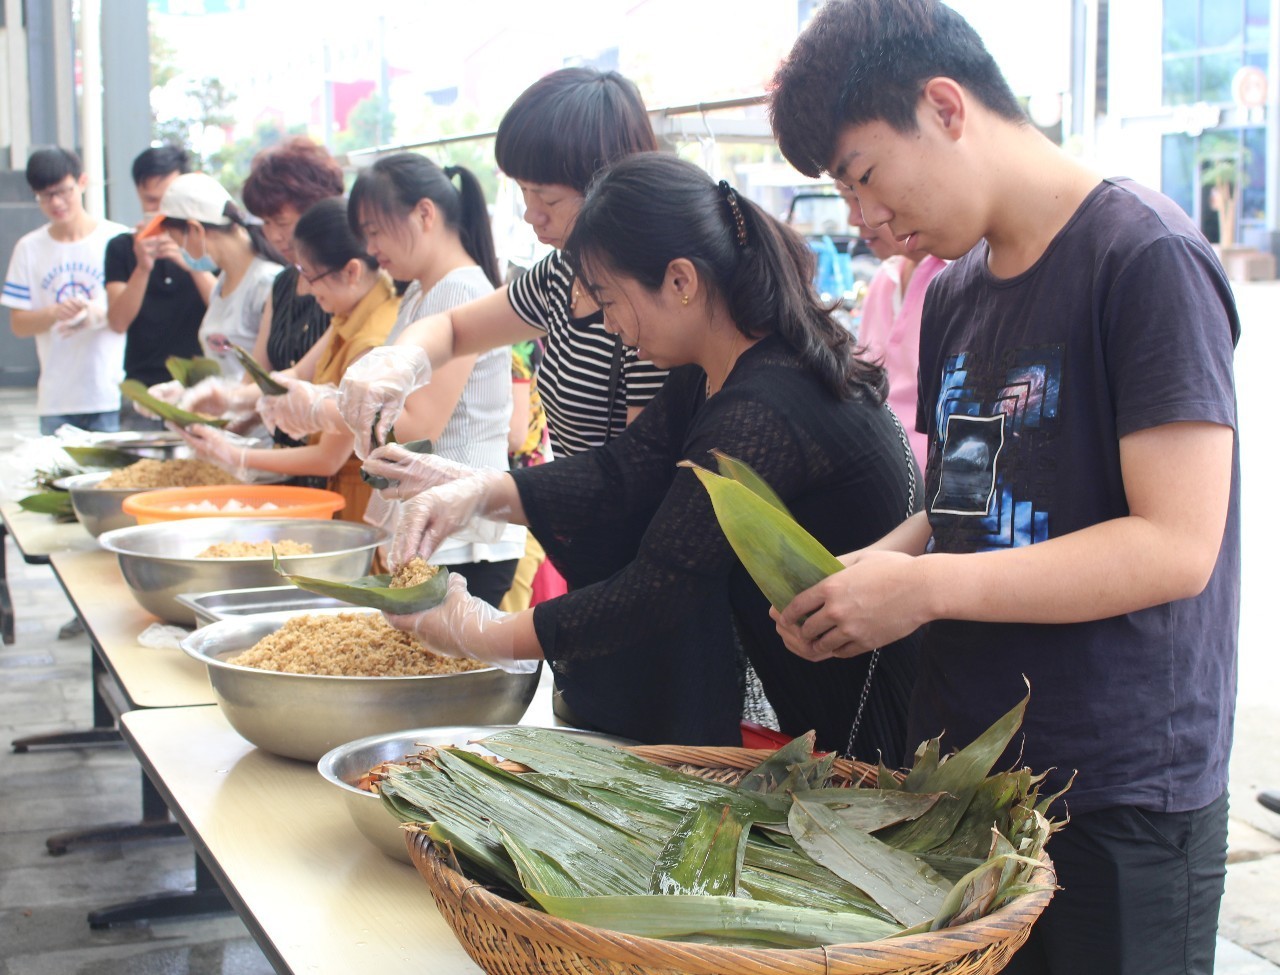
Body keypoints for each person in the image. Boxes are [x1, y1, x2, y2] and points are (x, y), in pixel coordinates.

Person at [767, 3, 1239, 974]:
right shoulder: (956, 291)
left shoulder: (1141, 257)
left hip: (1115, 790)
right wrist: (869, 571)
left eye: (859, 176)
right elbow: (961, 500)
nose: (862, 220)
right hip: (962, 772)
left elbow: (1174, 545)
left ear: (943, 107)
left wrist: (925, 590)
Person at [363, 153, 921, 753]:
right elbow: (623, 472)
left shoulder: (763, 404)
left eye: (608, 299)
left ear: (680, 281)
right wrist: (482, 492)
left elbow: (659, 587)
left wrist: (487, 633)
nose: (606, 325)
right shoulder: (714, 368)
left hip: (865, 710)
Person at [335, 67, 669, 460]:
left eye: (549, 200)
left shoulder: (651, 302)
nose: (532, 215)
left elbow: (632, 473)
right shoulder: (560, 273)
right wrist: (402, 359)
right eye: (524, 192)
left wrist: (496, 493)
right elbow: (454, 328)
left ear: (609, 187)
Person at [261, 155, 525, 608]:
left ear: (424, 214)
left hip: (463, 531)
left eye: (376, 230)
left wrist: (320, 408)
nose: (370, 246)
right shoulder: (422, 290)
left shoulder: (461, 289)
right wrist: (316, 399)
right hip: (434, 521)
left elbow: (419, 424)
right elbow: (384, 397)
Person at [180, 198, 397, 524]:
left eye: (311, 275)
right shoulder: (350, 311)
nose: (307, 290)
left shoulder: (372, 339)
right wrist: (230, 397)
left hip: (358, 499)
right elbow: (297, 373)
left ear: (351, 271)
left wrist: (235, 454)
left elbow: (328, 458)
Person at [3, 148, 129, 435]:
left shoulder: (117, 239)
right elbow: (18, 324)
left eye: (63, 191)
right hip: (56, 399)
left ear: (82, 182)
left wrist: (97, 314)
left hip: (110, 393)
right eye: (45, 196)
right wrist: (53, 313)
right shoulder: (29, 248)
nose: (56, 202)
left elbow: (137, 310)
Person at [104, 145, 214, 430]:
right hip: (142, 394)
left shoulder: (206, 242)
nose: (161, 212)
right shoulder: (120, 248)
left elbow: (225, 310)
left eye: (168, 202)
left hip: (201, 391)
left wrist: (190, 262)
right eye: (151, 202)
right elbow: (117, 322)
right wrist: (142, 268)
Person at [839, 183, 945, 471]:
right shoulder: (883, 280)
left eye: (858, 200)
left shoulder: (958, 277)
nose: (855, 219)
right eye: (848, 202)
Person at [156, 173, 285, 380]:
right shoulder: (224, 280)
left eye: (177, 241)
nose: (179, 250)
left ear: (195, 230)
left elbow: (266, 375)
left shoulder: (266, 282)